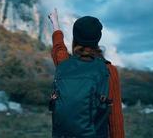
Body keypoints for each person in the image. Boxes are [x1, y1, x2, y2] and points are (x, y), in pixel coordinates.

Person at [48, 8, 125, 138]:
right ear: (97, 39)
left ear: (75, 37)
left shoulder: (64, 65)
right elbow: (115, 120)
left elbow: (58, 48)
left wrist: (55, 22)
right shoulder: (108, 71)